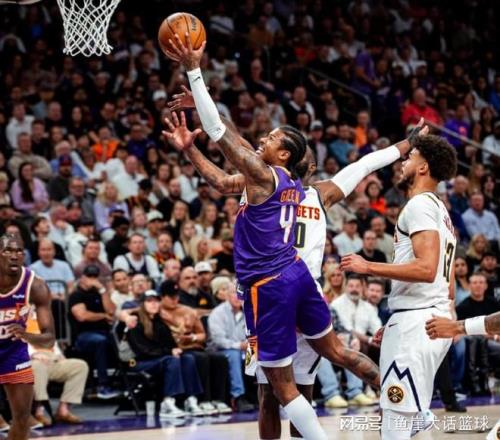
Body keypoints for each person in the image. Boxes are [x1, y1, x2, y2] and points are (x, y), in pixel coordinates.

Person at [167, 85, 426, 439]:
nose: (261, 144)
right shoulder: (321, 193)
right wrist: (407, 144)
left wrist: (202, 106)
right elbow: (366, 163)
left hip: (271, 289)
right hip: (304, 285)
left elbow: (230, 141)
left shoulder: (258, 181)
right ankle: (411, 405)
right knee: (331, 363)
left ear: (286, 155)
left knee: (271, 394)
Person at [341, 134, 458, 439]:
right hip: (427, 318)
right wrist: (401, 318)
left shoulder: (419, 205)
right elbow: (448, 284)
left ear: (423, 167)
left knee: (394, 422)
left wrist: (367, 266)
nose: (403, 162)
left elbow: (426, 269)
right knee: (409, 415)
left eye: (410, 156)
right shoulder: (442, 212)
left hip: (417, 324)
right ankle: (419, 416)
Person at [0, 233, 55, 440]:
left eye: (19, 251)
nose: (14, 256)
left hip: (13, 351)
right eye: (7, 251)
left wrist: (26, 335)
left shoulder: (35, 285)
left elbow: (49, 339)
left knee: (22, 417)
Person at [126, 290, 204, 418]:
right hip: (138, 362)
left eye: (156, 301)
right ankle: (167, 402)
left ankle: (190, 399)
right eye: (149, 301)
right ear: (142, 304)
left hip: (157, 358)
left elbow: (170, 344)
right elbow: (142, 350)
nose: (154, 304)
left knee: (188, 358)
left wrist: (176, 350)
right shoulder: (135, 322)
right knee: (171, 360)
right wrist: (168, 352)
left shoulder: (159, 322)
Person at [68, 265, 119, 399]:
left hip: (104, 332)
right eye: (89, 276)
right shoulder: (76, 295)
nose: (92, 279)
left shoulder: (99, 293)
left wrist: (102, 290)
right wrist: (103, 316)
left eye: (95, 276)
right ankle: (103, 386)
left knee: (121, 340)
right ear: (82, 277)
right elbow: (82, 316)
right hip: (83, 335)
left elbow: (111, 311)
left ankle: (127, 381)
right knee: (100, 341)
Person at [207, 287, 254, 412]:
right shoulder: (218, 313)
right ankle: (238, 396)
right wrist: (239, 345)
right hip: (218, 350)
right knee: (234, 355)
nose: (238, 296)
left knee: (259, 354)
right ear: (227, 296)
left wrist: (250, 344)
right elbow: (218, 340)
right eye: (234, 293)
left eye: (241, 293)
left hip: (243, 349)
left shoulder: (248, 311)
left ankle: (260, 394)